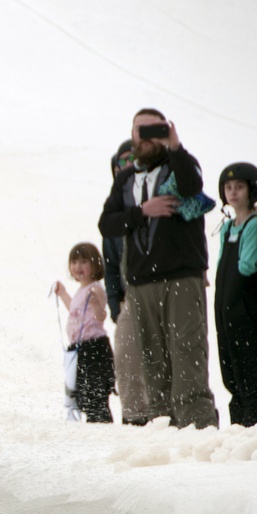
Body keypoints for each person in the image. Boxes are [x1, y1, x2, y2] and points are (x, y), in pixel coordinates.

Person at [98, 108, 218, 428]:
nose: (146, 136)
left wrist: (175, 146)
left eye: (154, 129)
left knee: (187, 355)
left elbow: (193, 186)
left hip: (181, 275)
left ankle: (199, 430)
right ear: (133, 134)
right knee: (153, 363)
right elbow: (106, 224)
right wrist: (142, 211)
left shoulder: (179, 164)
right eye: (141, 130)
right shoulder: (125, 179)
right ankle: (163, 429)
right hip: (140, 283)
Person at [214, 163, 257, 426]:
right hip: (225, 307)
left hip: (246, 305)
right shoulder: (227, 227)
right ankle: (240, 426)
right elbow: (220, 266)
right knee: (231, 370)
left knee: (252, 370)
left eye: (239, 187)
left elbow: (248, 266)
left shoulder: (255, 223)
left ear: (251, 189)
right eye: (228, 187)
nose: (233, 192)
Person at [102, 139, 150, 425]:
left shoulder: (151, 198)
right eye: (122, 161)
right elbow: (109, 265)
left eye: (133, 158)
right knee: (127, 356)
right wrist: (114, 305)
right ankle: (136, 418)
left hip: (154, 287)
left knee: (159, 356)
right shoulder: (114, 215)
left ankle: (164, 415)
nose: (128, 164)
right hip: (128, 296)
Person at [54, 242, 115, 423]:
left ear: (95, 265)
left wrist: (97, 304)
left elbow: (101, 315)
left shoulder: (95, 288)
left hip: (94, 348)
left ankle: (102, 425)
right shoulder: (81, 290)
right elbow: (75, 310)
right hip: (81, 349)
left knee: (95, 394)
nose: (77, 267)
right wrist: (63, 293)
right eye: (74, 262)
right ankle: (93, 425)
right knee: (82, 394)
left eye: (83, 262)